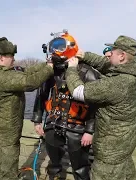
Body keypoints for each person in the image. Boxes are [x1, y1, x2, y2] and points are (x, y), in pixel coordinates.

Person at [65, 35, 136, 180]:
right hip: (125, 145)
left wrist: (71, 69)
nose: (108, 54)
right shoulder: (130, 71)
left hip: (110, 150)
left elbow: (79, 91)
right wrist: (84, 55)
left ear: (121, 56)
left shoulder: (120, 83)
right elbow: (105, 64)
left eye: (113, 52)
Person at [0, 37, 54, 180]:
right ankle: (7, 177)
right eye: (11, 56)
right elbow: (30, 82)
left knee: (4, 154)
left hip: (3, 124)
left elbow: (27, 71)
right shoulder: (2, 76)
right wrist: (49, 69)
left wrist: (46, 64)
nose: (14, 59)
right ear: (2, 57)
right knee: (9, 155)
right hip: (6, 127)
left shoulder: (7, 71)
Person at [32, 31, 99, 180]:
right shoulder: (51, 71)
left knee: (80, 166)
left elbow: (96, 104)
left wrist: (89, 131)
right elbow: (41, 94)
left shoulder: (87, 72)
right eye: (53, 46)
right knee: (53, 163)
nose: (55, 50)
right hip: (53, 124)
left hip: (78, 128)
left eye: (59, 46)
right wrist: (37, 120)